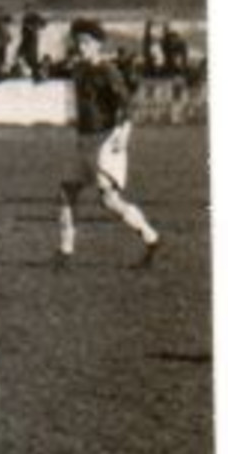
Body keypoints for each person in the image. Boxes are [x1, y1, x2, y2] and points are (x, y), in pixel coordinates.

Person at [57, 19, 160, 268]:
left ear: (98, 45)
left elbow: (126, 105)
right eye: (78, 42)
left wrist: (123, 134)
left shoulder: (108, 71)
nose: (80, 47)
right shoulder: (79, 70)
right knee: (65, 194)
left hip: (106, 140)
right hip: (83, 141)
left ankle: (151, 237)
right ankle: (65, 253)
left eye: (86, 43)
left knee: (109, 201)